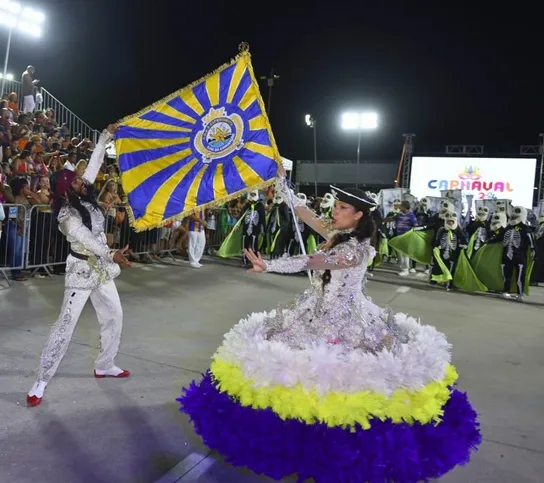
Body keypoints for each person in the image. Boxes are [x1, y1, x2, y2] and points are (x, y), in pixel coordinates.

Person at [178, 180, 481, 482]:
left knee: (338, 383)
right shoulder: (339, 234)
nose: (335, 212)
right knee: (295, 377)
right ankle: (295, 443)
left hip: (346, 323)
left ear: (359, 215)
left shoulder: (355, 250)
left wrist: (270, 265)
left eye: (342, 208)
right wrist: (283, 187)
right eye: (335, 206)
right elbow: (307, 216)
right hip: (312, 313)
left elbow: (312, 260)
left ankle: (337, 453)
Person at [26, 125, 132, 408]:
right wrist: (111, 253)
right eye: (75, 181)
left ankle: (105, 364)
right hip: (82, 270)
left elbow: (95, 165)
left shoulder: (81, 193)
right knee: (65, 326)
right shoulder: (66, 215)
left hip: (101, 269)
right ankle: (41, 380)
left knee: (114, 314)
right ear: (65, 189)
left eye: (79, 179)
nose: (82, 182)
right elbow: (86, 239)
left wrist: (105, 137)